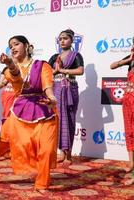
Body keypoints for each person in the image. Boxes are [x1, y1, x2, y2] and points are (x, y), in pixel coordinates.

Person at [0, 35, 58, 193]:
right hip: (19, 112)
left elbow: (47, 86)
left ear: (27, 46)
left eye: (16, 44)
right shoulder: (10, 70)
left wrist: (52, 98)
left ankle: (42, 183)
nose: (13, 48)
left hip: (44, 111)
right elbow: (19, 82)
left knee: (47, 150)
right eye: (10, 46)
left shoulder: (42, 66)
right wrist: (10, 64)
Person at [48, 29, 84, 164]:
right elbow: (46, 71)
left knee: (69, 120)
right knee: (57, 120)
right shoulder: (54, 57)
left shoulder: (76, 55)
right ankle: (61, 153)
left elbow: (80, 70)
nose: (62, 41)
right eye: (60, 39)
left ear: (71, 40)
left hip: (70, 89)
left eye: (65, 38)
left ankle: (68, 155)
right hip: (56, 90)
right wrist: (54, 71)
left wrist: (61, 70)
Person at [110, 48, 134, 185]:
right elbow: (112, 66)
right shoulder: (130, 58)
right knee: (130, 132)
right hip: (128, 100)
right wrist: (128, 60)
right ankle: (131, 163)